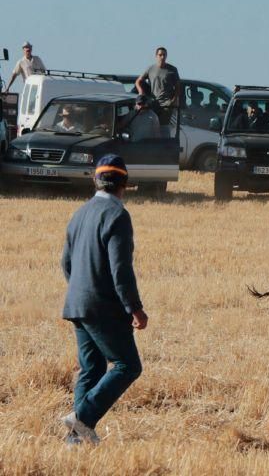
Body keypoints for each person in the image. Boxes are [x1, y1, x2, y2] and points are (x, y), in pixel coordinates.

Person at [60, 155, 147, 445]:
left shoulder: (80, 213)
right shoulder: (117, 215)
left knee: (92, 369)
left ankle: (75, 441)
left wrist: (80, 289)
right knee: (127, 365)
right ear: (125, 184)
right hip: (102, 306)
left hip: (77, 303)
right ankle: (82, 419)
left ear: (94, 181)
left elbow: (66, 262)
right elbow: (120, 269)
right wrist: (134, 307)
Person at [136, 47, 181, 128]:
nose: (162, 57)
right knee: (152, 126)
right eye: (160, 55)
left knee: (163, 126)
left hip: (166, 104)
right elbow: (138, 81)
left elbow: (178, 87)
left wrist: (174, 100)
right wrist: (141, 92)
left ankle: (164, 140)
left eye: (164, 55)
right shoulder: (150, 68)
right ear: (156, 56)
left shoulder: (172, 69)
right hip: (153, 103)